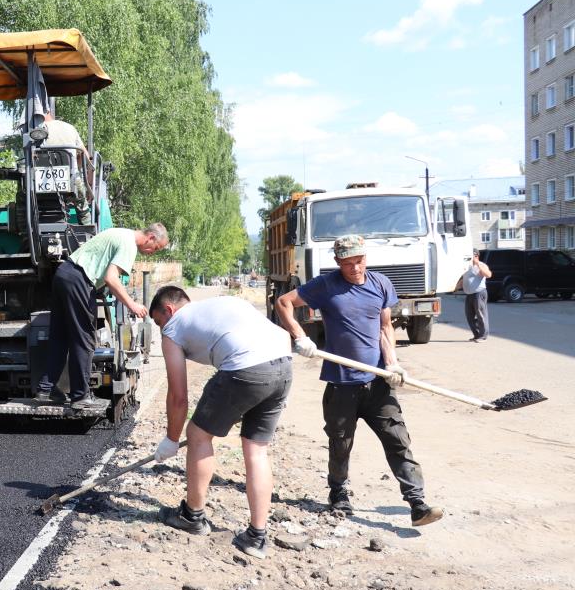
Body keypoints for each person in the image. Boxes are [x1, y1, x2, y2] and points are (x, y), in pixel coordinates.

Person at [274, 234, 444, 528]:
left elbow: (385, 326)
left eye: (359, 261)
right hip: (341, 384)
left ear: (366, 257)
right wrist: (300, 337)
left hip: (378, 383)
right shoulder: (326, 285)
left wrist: (392, 362)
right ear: (337, 261)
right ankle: (338, 494)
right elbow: (283, 302)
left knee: (398, 440)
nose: (355, 268)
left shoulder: (380, 284)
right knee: (341, 443)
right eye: (348, 263)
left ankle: (417, 503)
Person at [149, 286, 294, 559]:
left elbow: (178, 397)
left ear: (169, 310)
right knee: (256, 448)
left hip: (245, 367)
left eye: (158, 322)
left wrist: (171, 439)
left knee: (197, 434)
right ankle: (257, 537)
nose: (161, 330)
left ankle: (192, 516)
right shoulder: (222, 304)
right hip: (283, 364)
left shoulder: (173, 328)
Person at [36, 224, 168, 408]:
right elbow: (111, 279)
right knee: (84, 340)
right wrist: (132, 304)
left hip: (63, 274)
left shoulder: (121, 233)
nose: (153, 252)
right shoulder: (129, 244)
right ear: (151, 237)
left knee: (60, 337)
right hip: (79, 281)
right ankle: (80, 396)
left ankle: (46, 388)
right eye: (156, 248)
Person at [458, 250, 492, 341]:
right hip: (469, 294)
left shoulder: (481, 265)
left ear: (476, 256)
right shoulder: (467, 266)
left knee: (481, 315)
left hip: (479, 293)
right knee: (469, 316)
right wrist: (455, 287)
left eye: (471, 256)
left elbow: (488, 275)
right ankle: (477, 334)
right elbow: (463, 279)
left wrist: (477, 264)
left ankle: (483, 335)